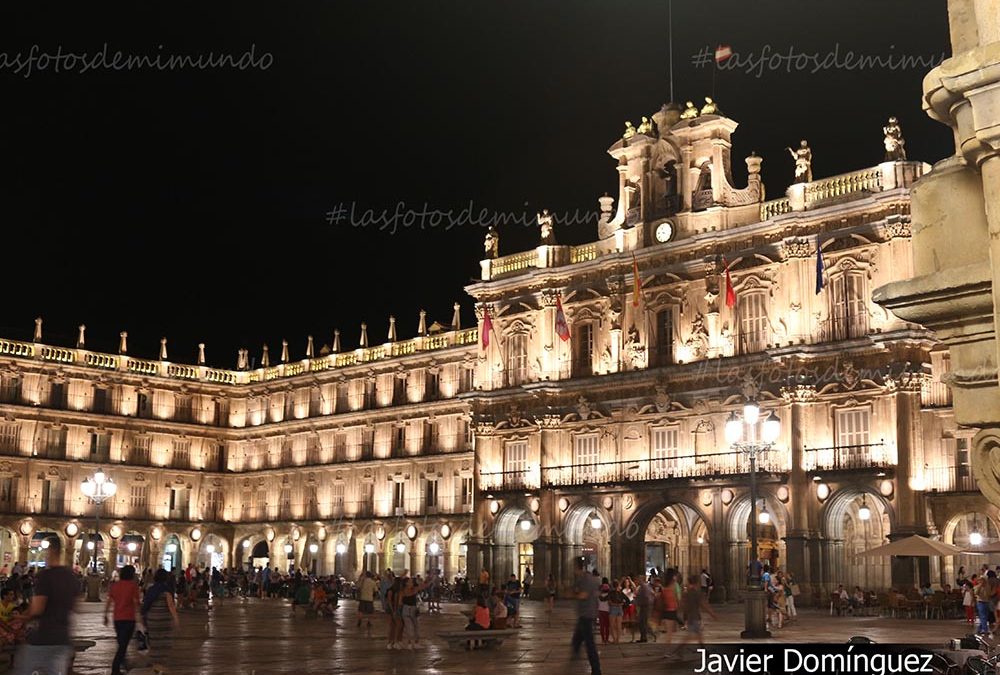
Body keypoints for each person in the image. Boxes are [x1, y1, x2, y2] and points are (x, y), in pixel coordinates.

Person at [12, 537, 76, 675]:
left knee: (21, 670)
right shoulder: (70, 576)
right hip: (63, 639)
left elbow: (37, 609)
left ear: (51, 551)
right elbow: (74, 606)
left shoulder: (45, 576)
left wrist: (22, 617)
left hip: (42, 639)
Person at [667, 575, 718, 660]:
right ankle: (678, 650)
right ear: (697, 582)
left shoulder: (687, 593)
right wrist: (712, 614)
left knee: (698, 635)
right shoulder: (696, 592)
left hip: (691, 617)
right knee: (690, 637)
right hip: (695, 617)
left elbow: (682, 605)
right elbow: (703, 605)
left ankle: (704, 651)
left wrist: (683, 615)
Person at [105, 564, 141, 675]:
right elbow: (136, 602)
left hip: (117, 619)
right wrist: (140, 614)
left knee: (122, 643)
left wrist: (105, 614)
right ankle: (115, 668)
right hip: (129, 618)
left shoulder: (115, 586)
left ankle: (124, 664)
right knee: (123, 644)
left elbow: (109, 601)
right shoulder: (133, 586)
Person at [142, 568, 180, 674]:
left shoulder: (151, 589)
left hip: (152, 620)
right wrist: (176, 619)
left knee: (154, 643)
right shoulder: (166, 590)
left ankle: (156, 666)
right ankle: (159, 666)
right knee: (164, 644)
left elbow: (145, 605)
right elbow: (171, 606)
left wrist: (143, 619)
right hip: (164, 621)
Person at [571, 557, 601, 675]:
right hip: (585, 615)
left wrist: (572, 594)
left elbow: (583, 595)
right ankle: (573, 663)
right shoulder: (586, 579)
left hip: (587, 616)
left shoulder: (586, 579)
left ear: (576, 566)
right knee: (576, 641)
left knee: (590, 645)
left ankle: (596, 670)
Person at [635, 573, 654, 643]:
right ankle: (643, 637)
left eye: (638, 579)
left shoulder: (644, 587)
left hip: (645, 607)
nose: (637, 580)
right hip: (645, 606)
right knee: (642, 622)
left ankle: (646, 636)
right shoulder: (645, 586)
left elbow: (647, 597)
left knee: (643, 622)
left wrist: (638, 601)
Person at [357, 571, 377, 636]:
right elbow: (376, 590)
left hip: (363, 598)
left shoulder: (363, 581)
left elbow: (358, 587)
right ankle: (369, 621)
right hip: (369, 598)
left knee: (361, 610)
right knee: (370, 611)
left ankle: (359, 620)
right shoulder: (373, 582)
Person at [607, 580, 624, 644]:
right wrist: (621, 604)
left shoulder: (610, 593)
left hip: (613, 608)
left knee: (612, 625)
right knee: (619, 625)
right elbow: (626, 600)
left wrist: (615, 604)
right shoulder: (621, 593)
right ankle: (618, 639)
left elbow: (609, 602)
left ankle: (614, 639)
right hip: (620, 608)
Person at [597, 580, 610, 644]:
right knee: (607, 626)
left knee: (602, 626)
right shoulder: (609, 596)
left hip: (600, 611)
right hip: (607, 612)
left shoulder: (599, 596)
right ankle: (607, 640)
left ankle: (603, 639)